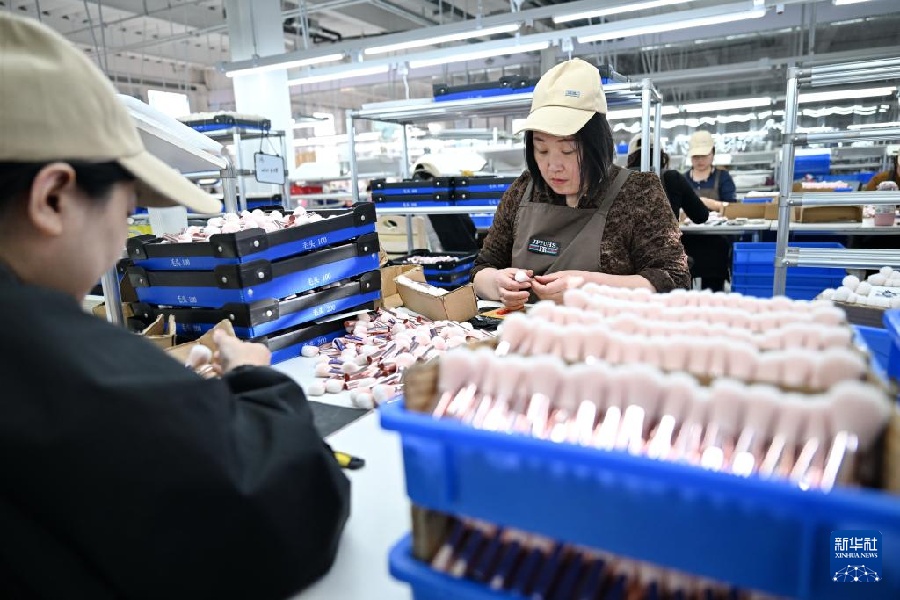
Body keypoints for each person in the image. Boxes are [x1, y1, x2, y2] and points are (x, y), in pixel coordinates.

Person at [0, 14, 349, 599]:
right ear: (54, 199)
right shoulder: (39, 353)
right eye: (128, 208)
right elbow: (289, 510)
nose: (123, 240)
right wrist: (254, 378)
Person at [472, 59, 690, 309]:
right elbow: (483, 267)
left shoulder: (638, 193)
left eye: (568, 150)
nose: (553, 166)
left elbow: (675, 280)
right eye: (541, 149)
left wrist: (591, 288)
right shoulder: (522, 191)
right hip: (528, 331)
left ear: (597, 143)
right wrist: (496, 284)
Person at [682, 130, 736, 292]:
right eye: (696, 157)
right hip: (687, 241)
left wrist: (709, 203)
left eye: (704, 156)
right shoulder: (683, 179)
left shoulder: (723, 177)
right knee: (683, 284)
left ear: (713, 154)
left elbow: (733, 208)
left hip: (716, 241)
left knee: (712, 289)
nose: (700, 160)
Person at [626, 133, 709, 224]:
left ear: (630, 158)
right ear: (662, 155)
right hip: (664, 233)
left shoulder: (620, 180)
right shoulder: (673, 178)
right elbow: (701, 216)